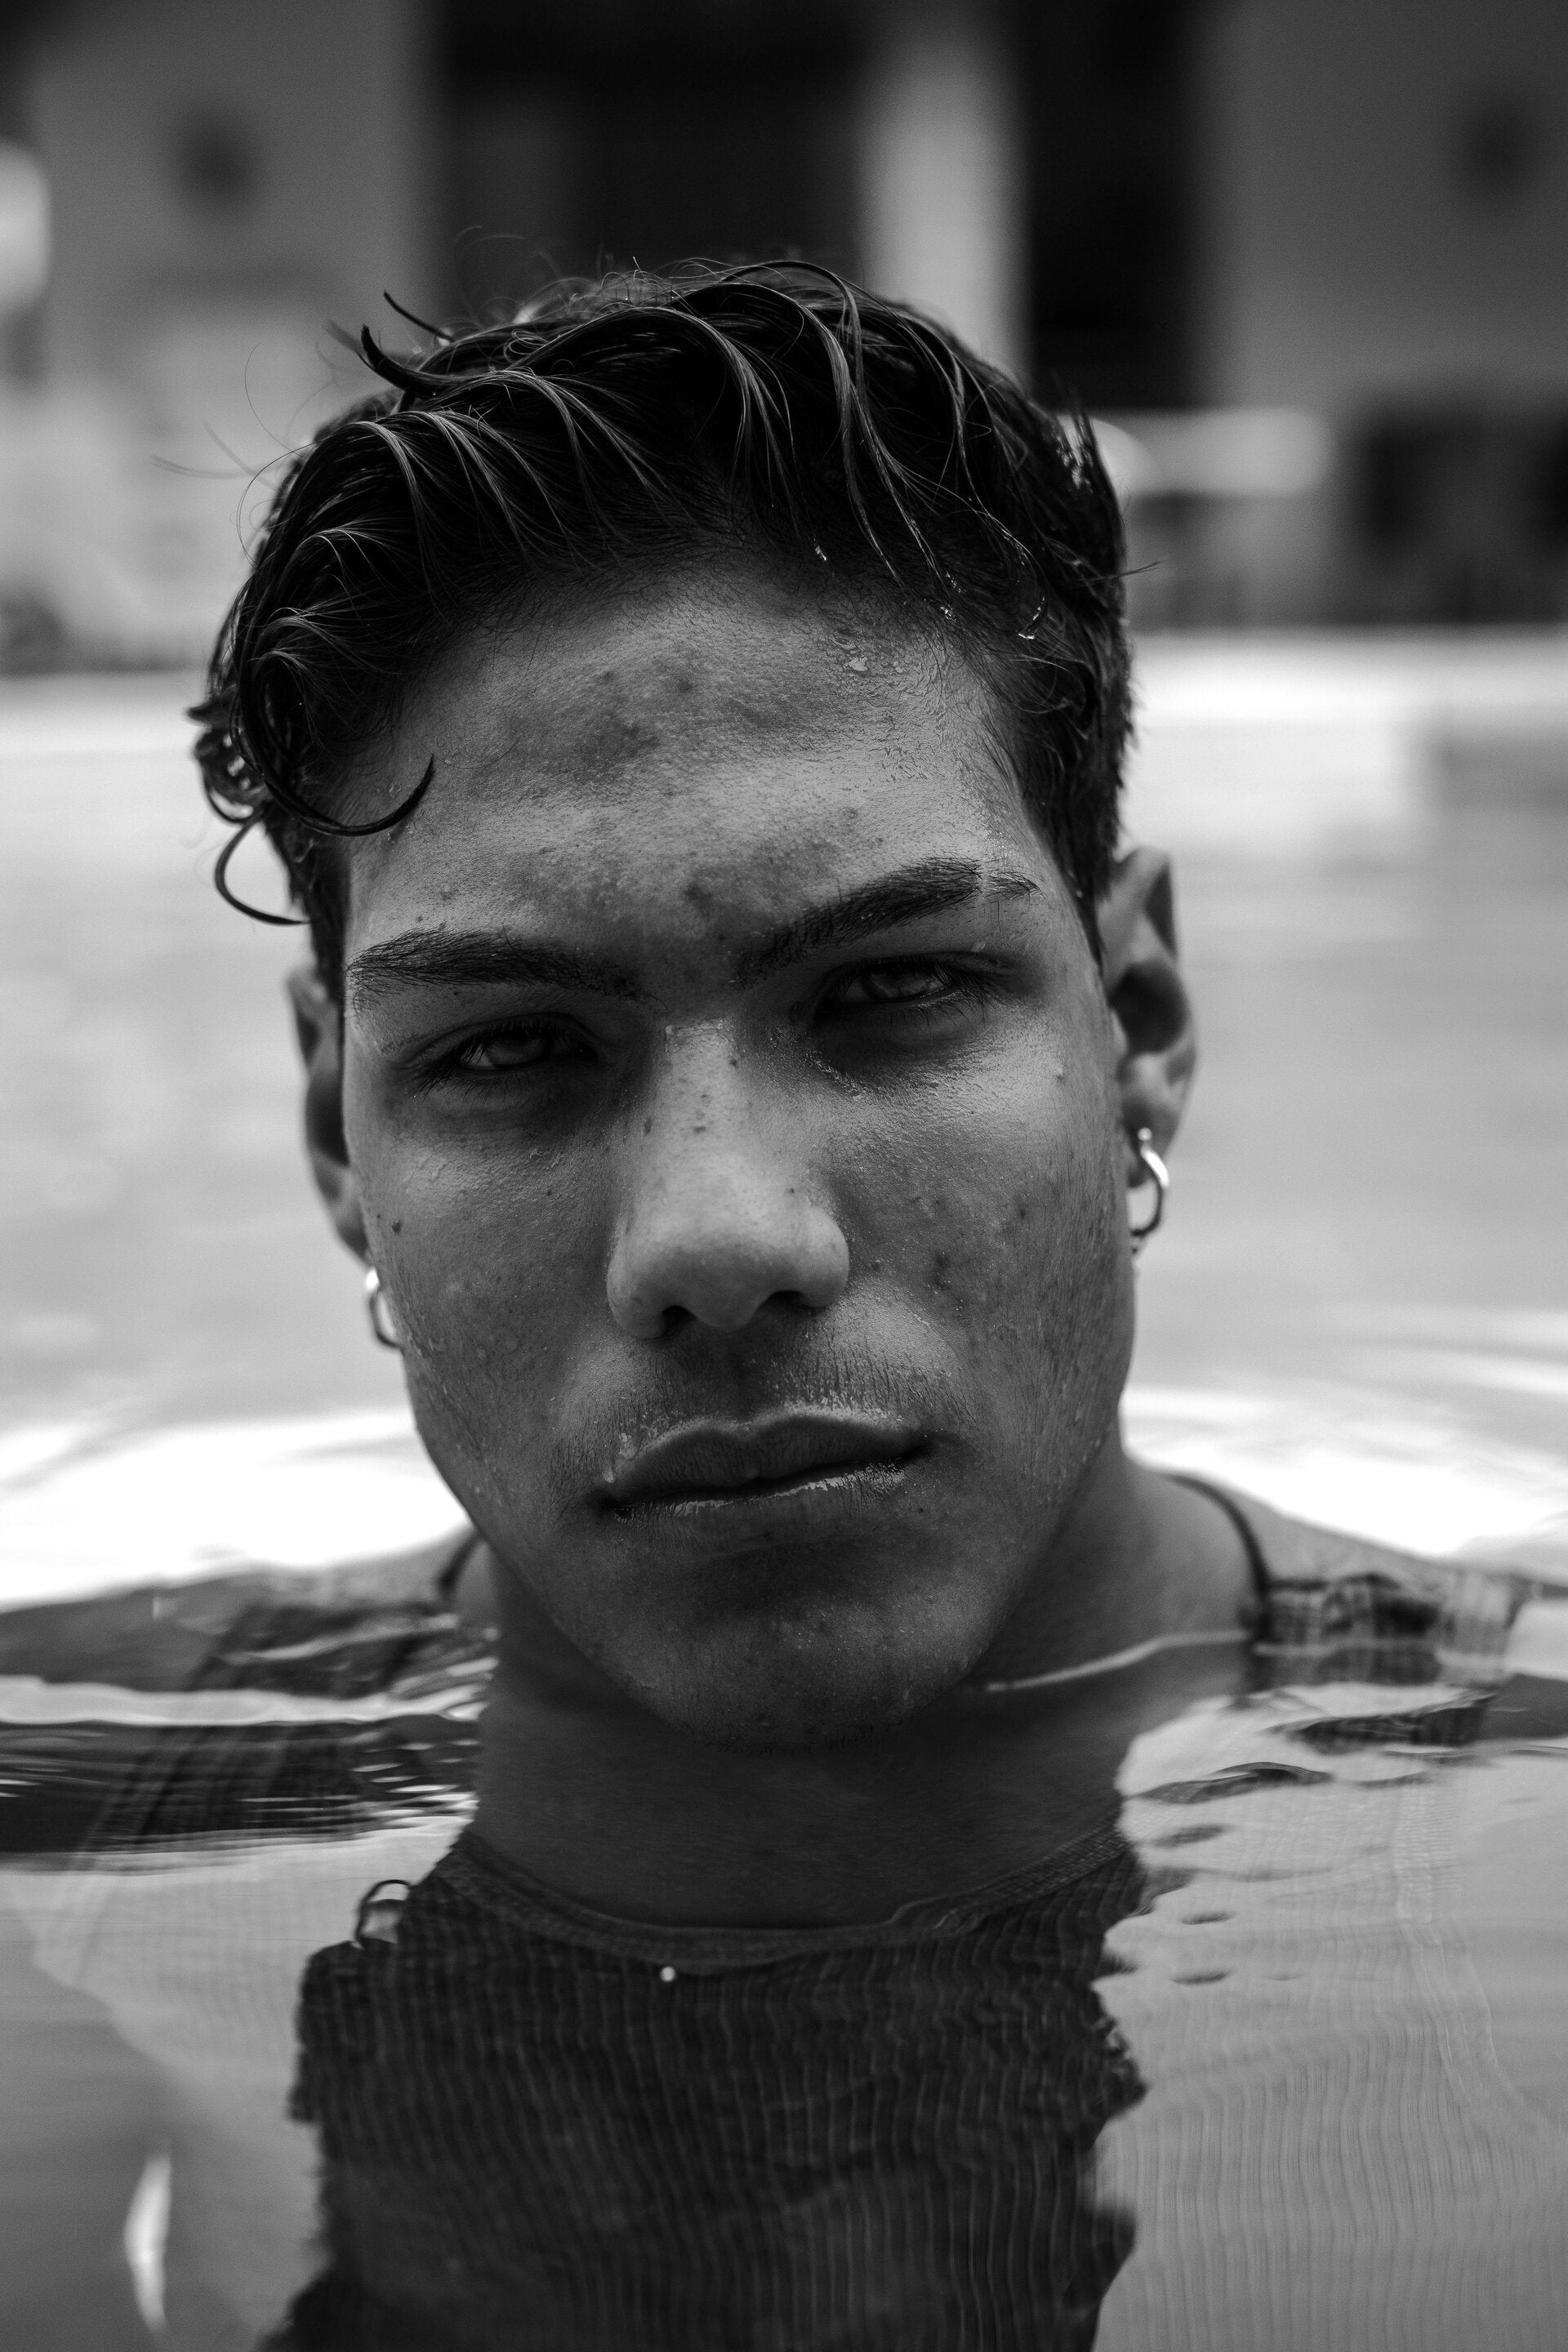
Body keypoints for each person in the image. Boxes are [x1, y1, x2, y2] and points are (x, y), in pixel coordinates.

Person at [2, 265, 1563, 2351]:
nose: (719, 1238)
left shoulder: (1537, 1817)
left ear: (1139, 1025)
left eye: (893, 990)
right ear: (332, 1128)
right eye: (511, 1049)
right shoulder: (62, 1817)